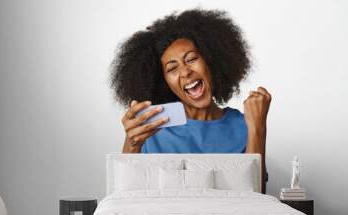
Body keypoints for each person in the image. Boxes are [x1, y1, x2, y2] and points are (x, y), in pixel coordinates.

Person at [110, 9, 271, 192]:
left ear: (211, 61)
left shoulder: (244, 125)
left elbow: (256, 199)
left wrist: (258, 127)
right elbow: (126, 197)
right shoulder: (151, 129)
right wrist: (132, 144)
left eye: (192, 59)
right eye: (172, 69)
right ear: (163, 82)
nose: (185, 72)